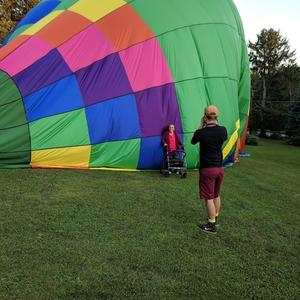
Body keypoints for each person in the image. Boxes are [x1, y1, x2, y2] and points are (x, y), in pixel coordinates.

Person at [191, 105, 228, 234]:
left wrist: (202, 126)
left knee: (209, 198)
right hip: (219, 168)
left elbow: (193, 141)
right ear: (217, 117)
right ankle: (215, 217)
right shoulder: (223, 130)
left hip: (207, 170)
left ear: (205, 117)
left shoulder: (201, 133)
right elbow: (221, 136)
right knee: (216, 195)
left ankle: (211, 225)